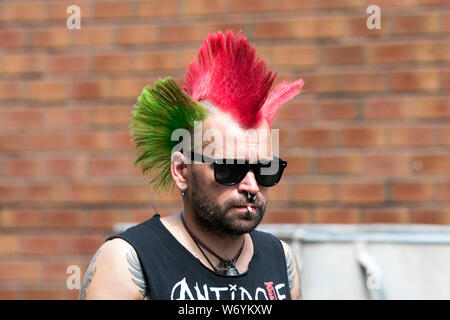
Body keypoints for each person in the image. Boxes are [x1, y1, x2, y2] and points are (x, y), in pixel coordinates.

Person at [79, 30, 304, 300]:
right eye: (229, 169)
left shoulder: (281, 260)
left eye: (265, 170)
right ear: (182, 171)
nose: (251, 186)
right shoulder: (130, 262)